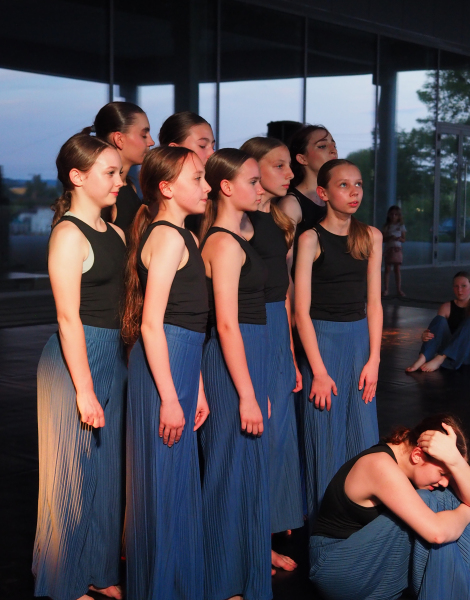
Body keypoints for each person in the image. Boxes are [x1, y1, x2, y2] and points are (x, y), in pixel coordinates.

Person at [33, 133, 127, 600]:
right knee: (69, 476)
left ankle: (97, 571)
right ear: (77, 176)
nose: (120, 180)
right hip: (74, 363)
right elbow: (68, 318)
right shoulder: (68, 234)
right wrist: (84, 390)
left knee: (105, 475)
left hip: (113, 356)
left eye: (120, 172)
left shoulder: (117, 233)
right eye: (110, 172)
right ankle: (63, 584)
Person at [122, 146, 211, 599]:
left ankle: (176, 586)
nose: (207, 186)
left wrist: (197, 387)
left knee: (175, 484)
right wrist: (172, 397)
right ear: (167, 188)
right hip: (164, 366)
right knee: (161, 486)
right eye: (197, 178)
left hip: (180, 363)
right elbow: (152, 324)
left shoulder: (184, 235)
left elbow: (189, 321)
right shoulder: (170, 237)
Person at [309, 415, 470, 600]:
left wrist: (456, 462)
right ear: (417, 455)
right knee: (432, 503)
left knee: (448, 498)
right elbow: (437, 533)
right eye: (442, 473)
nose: (444, 482)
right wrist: (468, 511)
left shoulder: (415, 460)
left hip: (371, 567)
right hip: (337, 569)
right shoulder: (378, 465)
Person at [294, 158, 383, 528]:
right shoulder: (310, 239)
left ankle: (360, 518)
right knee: (324, 434)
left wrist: (374, 359)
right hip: (322, 343)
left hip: (359, 342)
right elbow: (300, 312)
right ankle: (324, 522)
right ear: (323, 193)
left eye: (358, 184)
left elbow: (374, 304)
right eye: (343, 185)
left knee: (362, 432)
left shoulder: (371, 236)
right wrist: (317, 371)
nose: (353, 191)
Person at [199, 148, 271, 600]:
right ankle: (220, 582)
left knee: (246, 473)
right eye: (253, 181)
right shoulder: (223, 243)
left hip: (249, 358)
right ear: (226, 187)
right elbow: (225, 325)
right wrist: (246, 394)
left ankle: (241, 577)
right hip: (232, 364)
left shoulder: (237, 236)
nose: (260, 189)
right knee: (228, 472)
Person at [240, 137, 304, 570]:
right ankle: (250, 544)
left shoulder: (278, 223)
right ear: (254, 169)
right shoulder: (239, 224)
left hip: (278, 334)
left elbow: (283, 294)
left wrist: (292, 355)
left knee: (278, 437)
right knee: (255, 438)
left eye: (288, 165)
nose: (290, 173)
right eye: (279, 165)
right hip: (252, 332)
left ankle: (264, 531)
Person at [406, 271, 470, 373]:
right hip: (449, 354)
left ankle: (440, 359)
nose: (459, 290)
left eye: (464, 286)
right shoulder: (446, 307)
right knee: (439, 320)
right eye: (456, 286)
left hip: (469, 354)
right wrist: (425, 335)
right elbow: (437, 330)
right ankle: (422, 358)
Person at [87, 101, 154, 231]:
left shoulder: (129, 186)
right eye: (144, 135)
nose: (151, 142)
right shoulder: (103, 195)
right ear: (119, 139)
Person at [278, 124, 338, 234]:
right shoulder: (291, 205)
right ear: (302, 158)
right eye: (322, 146)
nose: (333, 150)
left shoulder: (335, 199)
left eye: (334, 146)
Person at [382, 205, 407, 297]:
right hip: (389, 249)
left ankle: (399, 289)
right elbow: (383, 239)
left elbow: (404, 239)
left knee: (397, 269)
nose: (393, 216)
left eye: (396, 214)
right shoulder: (387, 226)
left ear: (399, 216)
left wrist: (399, 238)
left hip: (397, 249)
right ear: (388, 215)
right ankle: (386, 289)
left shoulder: (401, 226)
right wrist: (389, 238)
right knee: (387, 269)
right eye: (392, 214)